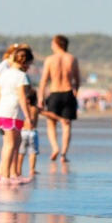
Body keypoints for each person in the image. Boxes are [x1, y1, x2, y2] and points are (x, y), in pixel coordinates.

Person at [0, 48, 34, 185]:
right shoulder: (21, 76)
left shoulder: (4, 74)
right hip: (13, 112)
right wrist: (28, 116)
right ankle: (5, 176)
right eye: (29, 64)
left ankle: (13, 174)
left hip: (3, 111)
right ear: (25, 62)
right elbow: (22, 97)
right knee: (11, 145)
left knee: (13, 143)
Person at [38, 35, 81, 163]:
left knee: (51, 123)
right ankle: (63, 154)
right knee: (66, 124)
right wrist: (76, 91)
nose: (51, 46)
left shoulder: (50, 60)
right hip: (68, 93)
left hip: (55, 92)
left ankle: (55, 147)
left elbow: (44, 80)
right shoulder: (72, 59)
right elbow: (77, 79)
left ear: (57, 44)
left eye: (52, 43)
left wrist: (41, 97)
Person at [17, 88, 40, 178]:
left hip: (23, 131)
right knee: (33, 152)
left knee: (21, 152)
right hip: (32, 132)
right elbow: (46, 113)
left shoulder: (23, 108)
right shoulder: (36, 108)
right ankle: (32, 169)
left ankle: (18, 170)